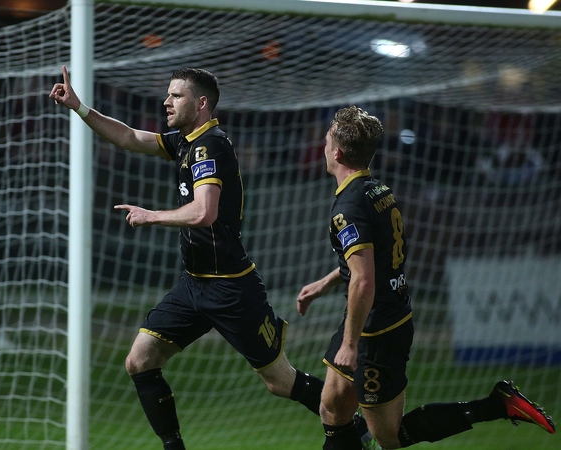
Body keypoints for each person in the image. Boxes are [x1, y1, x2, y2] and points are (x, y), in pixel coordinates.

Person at [50, 66, 344, 449]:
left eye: (176, 96)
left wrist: (152, 215)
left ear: (201, 103)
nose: (166, 102)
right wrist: (80, 107)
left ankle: (353, 425)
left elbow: (204, 211)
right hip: (194, 285)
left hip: (232, 289)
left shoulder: (210, 146)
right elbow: (129, 136)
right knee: (140, 360)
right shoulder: (186, 142)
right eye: (168, 94)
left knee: (280, 382)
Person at [296, 105, 556, 450]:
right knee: (332, 408)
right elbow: (374, 260)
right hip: (381, 314)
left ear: (337, 152)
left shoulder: (349, 207)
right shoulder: (377, 190)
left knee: (389, 435)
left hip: (376, 329)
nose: (324, 145)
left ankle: (497, 404)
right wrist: (326, 282)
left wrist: (350, 344)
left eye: (328, 140)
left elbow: (364, 280)